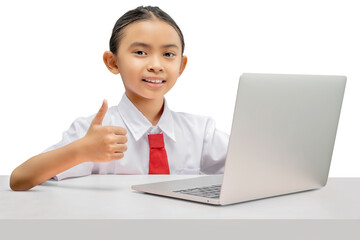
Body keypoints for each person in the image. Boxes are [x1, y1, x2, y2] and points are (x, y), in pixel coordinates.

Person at [10, 6, 229, 191]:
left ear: (181, 65)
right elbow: (20, 178)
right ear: (113, 62)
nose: (156, 65)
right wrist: (81, 150)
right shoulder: (94, 133)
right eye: (141, 52)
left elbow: (255, 168)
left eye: (168, 54)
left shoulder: (201, 133)